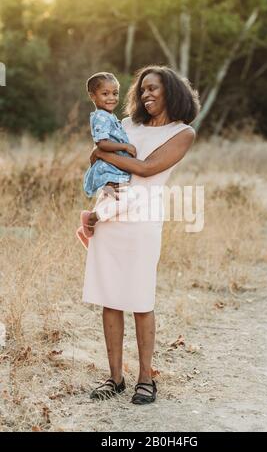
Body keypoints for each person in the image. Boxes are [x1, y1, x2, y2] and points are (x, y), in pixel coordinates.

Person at [83, 65, 200, 405]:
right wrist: (96, 210)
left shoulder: (182, 132)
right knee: (110, 297)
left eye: (154, 89)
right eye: (142, 89)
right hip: (110, 213)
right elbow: (96, 156)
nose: (146, 94)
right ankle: (115, 377)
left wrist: (106, 153)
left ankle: (145, 378)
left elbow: (148, 168)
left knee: (140, 298)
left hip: (144, 218)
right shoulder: (126, 125)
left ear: (171, 92)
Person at [76, 72, 137, 248]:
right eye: (105, 94)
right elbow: (101, 142)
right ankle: (91, 219)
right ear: (92, 96)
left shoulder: (108, 116)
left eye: (115, 93)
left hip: (114, 169)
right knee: (127, 202)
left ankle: (91, 233)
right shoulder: (101, 117)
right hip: (110, 171)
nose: (111, 98)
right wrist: (124, 147)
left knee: (113, 202)